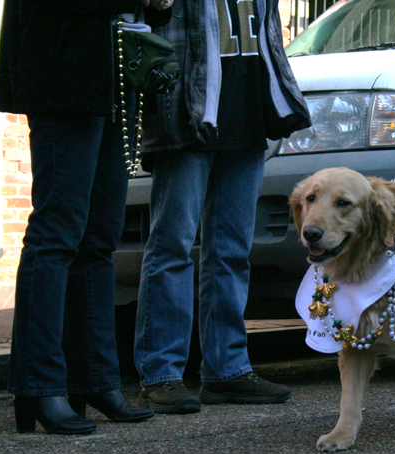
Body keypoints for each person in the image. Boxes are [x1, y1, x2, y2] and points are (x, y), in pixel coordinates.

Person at [0, 0, 170, 434]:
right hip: (62, 70)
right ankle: (39, 384)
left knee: (98, 238)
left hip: (109, 75)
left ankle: (94, 380)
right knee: (57, 234)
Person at [133, 0, 311, 414]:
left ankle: (227, 369)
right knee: (172, 246)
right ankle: (161, 374)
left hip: (247, 105)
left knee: (231, 250)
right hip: (185, 105)